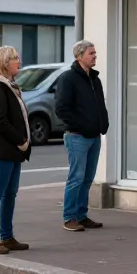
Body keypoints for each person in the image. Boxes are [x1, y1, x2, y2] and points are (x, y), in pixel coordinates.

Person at [0, 46, 31, 255]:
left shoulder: (10, 85)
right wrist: (20, 140)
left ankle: (7, 236)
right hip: (2, 149)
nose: (19, 61)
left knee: (10, 194)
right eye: (15, 58)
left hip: (13, 150)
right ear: (4, 62)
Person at [55, 40, 110, 232]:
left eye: (95, 53)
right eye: (91, 53)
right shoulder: (68, 79)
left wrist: (103, 124)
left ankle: (81, 215)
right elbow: (61, 109)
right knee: (76, 178)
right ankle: (69, 217)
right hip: (77, 136)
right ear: (79, 57)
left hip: (94, 136)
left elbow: (100, 105)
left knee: (87, 179)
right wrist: (82, 126)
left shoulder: (94, 79)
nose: (95, 56)